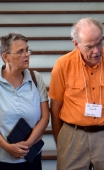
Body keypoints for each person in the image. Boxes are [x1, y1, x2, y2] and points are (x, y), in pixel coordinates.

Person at [0, 33, 49, 170]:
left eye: (27, 50)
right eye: (20, 51)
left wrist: (28, 144)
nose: (26, 54)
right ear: (5, 57)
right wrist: (8, 147)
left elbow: (44, 117)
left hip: (30, 157)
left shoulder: (36, 78)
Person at [49, 17, 104, 170]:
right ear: (76, 44)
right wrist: (61, 141)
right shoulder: (63, 65)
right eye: (89, 46)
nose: (96, 51)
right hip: (73, 136)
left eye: (100, 42)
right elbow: (55, 107)